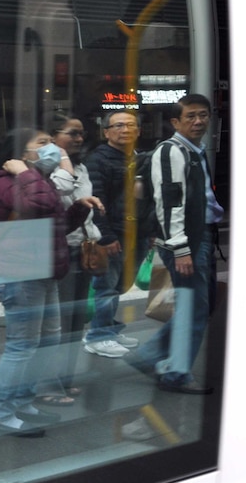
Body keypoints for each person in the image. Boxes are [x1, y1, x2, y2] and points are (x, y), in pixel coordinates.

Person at [0, 128, 101, 437]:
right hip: (19, 272)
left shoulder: (35, 180)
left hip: (43, 269)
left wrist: (77, 208)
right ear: (22, 152)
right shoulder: (3, 181)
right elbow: (36, 206)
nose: (54, 149)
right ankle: (2, 413)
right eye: (43, 143)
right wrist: (23, 172)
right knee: (21, 345)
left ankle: (23, 401)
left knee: (47, 341)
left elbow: (52, 222)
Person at [128, 94, 224, 394]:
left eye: (204, 115)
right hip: (186, 242)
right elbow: (170, 204)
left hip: (198, 238)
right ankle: (175, 373)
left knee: (194, 307)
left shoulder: (193, 150)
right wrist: (181, 248)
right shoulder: (172, 152)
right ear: (175, 122)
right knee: (194, 309)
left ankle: (151, 357)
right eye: (191, 116)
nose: (199, 121)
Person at [35, 113, 102, 405]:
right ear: (53, 138)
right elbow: (57, 204)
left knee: (76, 320)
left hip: (82, 247)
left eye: (81, 134)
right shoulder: (46, 171)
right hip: (59, 250)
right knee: (56, 322)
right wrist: (62, 165)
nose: (78, 139)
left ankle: (65, 379)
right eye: (71, 133)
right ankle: (46, 383)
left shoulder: (82, 168)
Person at [83, 110, 150, 358]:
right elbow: (97, 201)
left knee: (121, 285)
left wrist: (150, 230)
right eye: (119, 125)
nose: (125, 130)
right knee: (106, 287)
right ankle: (97, 336)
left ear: (139, 131)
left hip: (138, 233)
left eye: (131, 125)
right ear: (106, 131)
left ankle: (108, 328)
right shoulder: (98, 160)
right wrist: (106, 236)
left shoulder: (140, 158)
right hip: (114, 234)